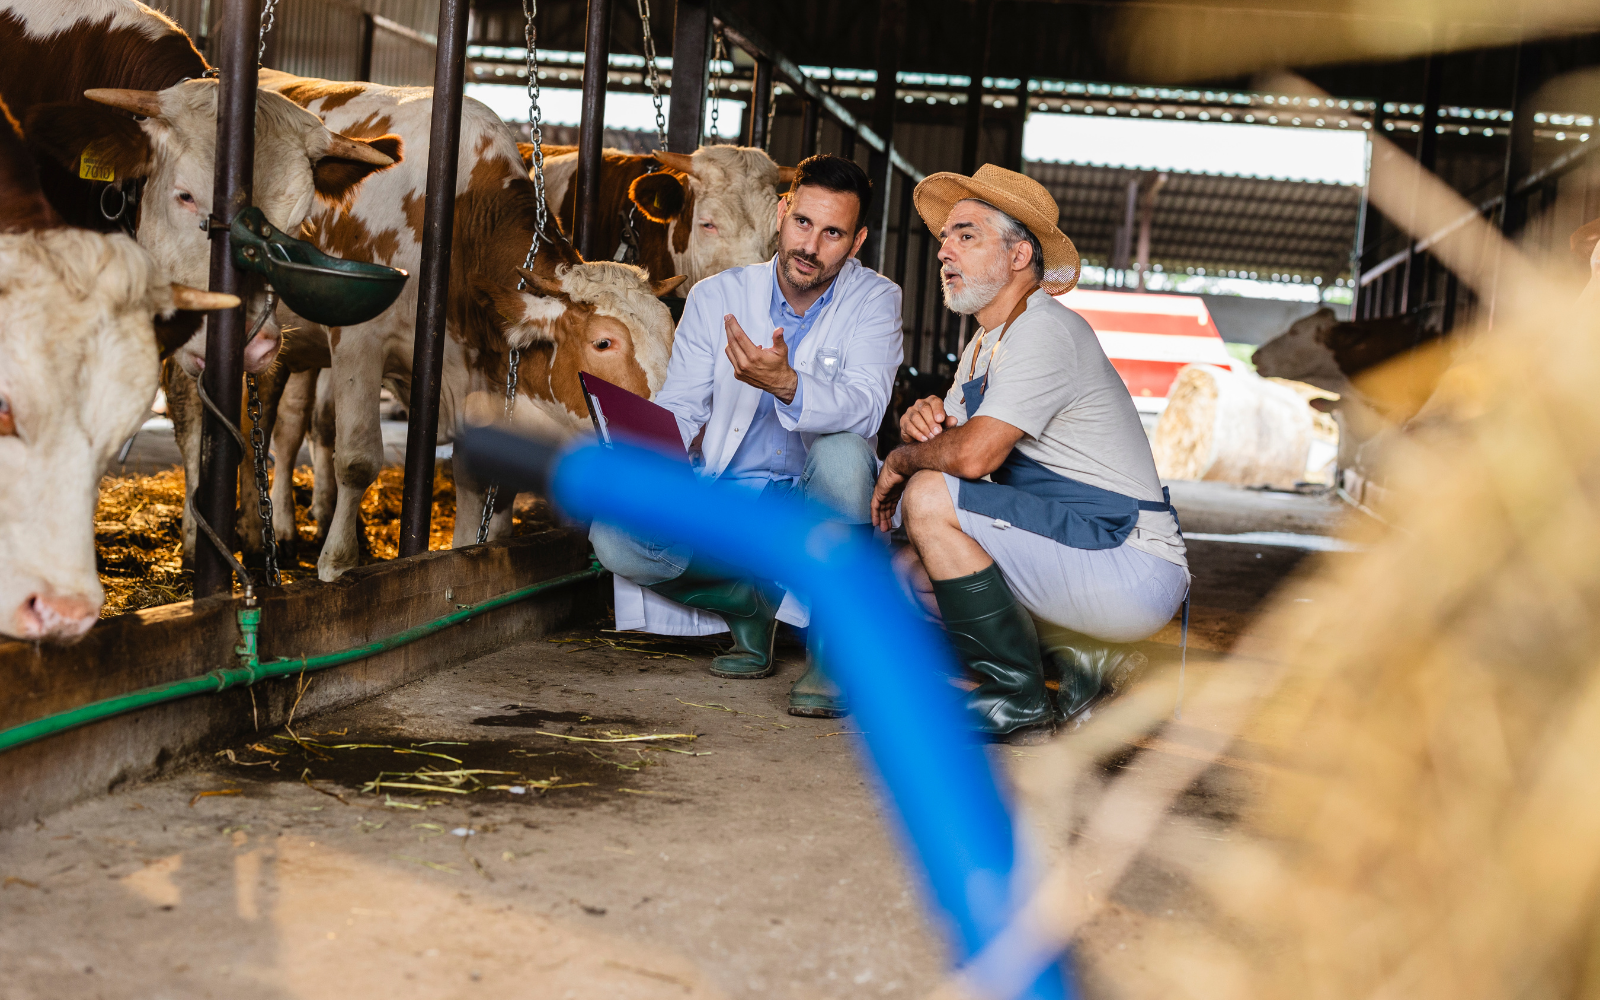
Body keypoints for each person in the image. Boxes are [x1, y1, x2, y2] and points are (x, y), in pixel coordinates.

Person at [872, 164, 1190, 742]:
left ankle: (1014, 694)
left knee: (926, 495)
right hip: (1082, 547)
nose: (945, 248)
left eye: (966, 235)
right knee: (906, 573)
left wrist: (900, 460)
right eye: (945, 236)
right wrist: (921, 423)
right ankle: (1080, 659)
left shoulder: (1045, 332)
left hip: (1128, 560)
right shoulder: (986, 342)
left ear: (1019, 256)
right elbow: (951, 444)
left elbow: (970, 461)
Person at [592, 154, 903, 718]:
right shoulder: (716, 297)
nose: (810, 245)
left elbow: (866, 408)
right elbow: (683, 403)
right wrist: (650, 449)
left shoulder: (876, 300)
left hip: (818, 505)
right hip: (735, 500)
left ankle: (830, 654)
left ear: (856, 243)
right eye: (803, 223)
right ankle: (747, 602)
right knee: (614, 533)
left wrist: (788, 386)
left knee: (844, 450)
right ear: (782, 213)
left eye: (833, 233)